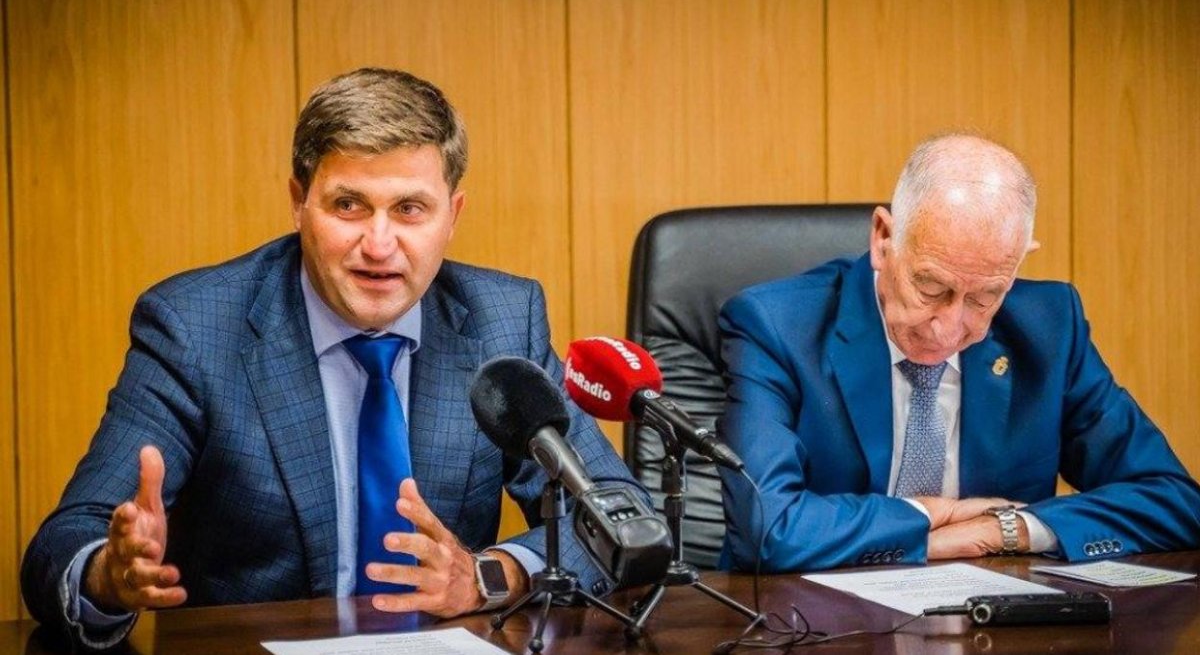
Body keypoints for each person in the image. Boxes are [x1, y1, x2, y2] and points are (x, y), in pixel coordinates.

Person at [21, 68, 644, 649]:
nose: (378, 244)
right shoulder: (195, 327)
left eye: (409, 209)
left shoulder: (500, 318)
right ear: (299, 202)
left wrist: (489, 575)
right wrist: (109, 572)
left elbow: (619, 514)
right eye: (348, 205)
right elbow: (60, 548)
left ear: (451, 216)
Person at [718, 133, 1200, 573]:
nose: (949, 328)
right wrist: (929, 522)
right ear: (884, 239)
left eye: (984, 296)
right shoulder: (777, 326)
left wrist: (1001, 531)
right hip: (816, 624)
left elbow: (1174, 500)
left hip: (996, 621)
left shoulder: (1050, 328)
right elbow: (768, 528)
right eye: (930, 286)